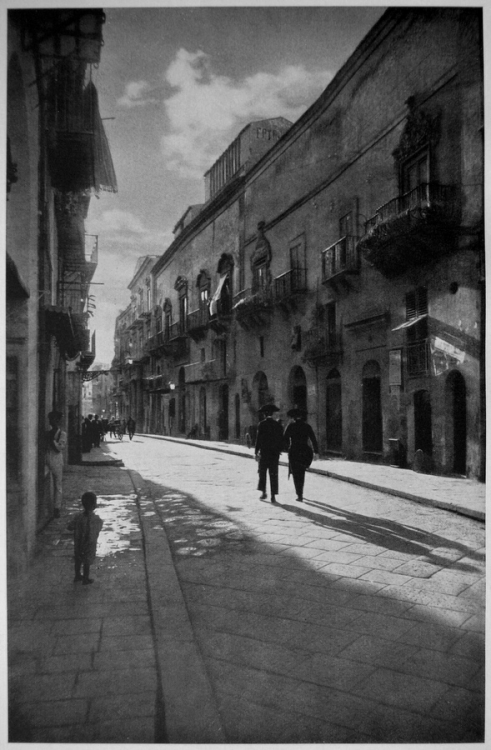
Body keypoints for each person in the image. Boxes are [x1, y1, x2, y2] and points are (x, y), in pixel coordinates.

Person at [67, 491, 103, 585]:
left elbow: (70, 527)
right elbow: (98, 529)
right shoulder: (96, 519)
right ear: (94, 505)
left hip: (78, 543)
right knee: (87, 561)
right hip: (90, 543)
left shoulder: (78, 517)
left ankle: (77, 575)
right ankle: (86, 579)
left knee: (78, 559)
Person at [283, 407, 319, 502]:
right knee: (301, 472)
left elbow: (285, 439)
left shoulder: (290, 426)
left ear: (293, 417)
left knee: (295, 473)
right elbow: (313, 439)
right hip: (304, 451)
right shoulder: (307, 426)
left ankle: (299, 494)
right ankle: (301, 492)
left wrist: (287, 448)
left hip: (294, 451)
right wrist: (316, 452)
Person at [254, 404, 285, 504]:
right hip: (274, 454)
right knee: (274, 474)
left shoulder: (261, 424)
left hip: (264, 453)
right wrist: (279, 450)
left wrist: (256, 452)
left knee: (262, 473)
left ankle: (263, 493)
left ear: (264, 414)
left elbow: (258, 439)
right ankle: (273, 496)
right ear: (273, 414)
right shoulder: (278, 425)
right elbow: (281, 440)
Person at [46, 411, 67, 519]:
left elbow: (59, 448)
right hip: (47, 459)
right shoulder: (48, 432)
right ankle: (48, 507)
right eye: (50, 419)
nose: (51, 422)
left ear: (58, 420)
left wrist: (52, 441)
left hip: (57, 460)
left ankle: (57, 508)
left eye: (53, 419)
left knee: (57, 485)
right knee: (47, 484)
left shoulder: (62, 434)